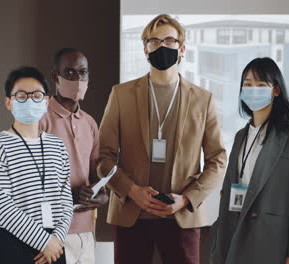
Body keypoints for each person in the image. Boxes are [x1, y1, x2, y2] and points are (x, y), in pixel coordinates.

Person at [97, 14, 227, 264]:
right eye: (154, 41)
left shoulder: (203, 99)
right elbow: (103, 157)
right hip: (131, 215)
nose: (162, 47)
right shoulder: (121, 94)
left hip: (182, 217)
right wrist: (132, 191)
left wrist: (187, 198)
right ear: (145, 49)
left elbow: (218, 160)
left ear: (182, 48)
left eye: (169, 40)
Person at [210, 57, 289, 264]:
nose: (253, 90)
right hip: (234, 235)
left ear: (275, 90)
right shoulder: (240, 136)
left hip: (272, 242)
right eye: (247, 84)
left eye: (261, 84)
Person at [0, 66, 73, 264]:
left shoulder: (57, 146)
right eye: (21, 95)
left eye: (37, 95)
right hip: (13, 246)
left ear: (46, 101)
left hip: (55, 247)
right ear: (8, 102)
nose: (30, 100)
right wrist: (43, 242)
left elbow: (66, 201)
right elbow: (1, 206)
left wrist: (55, 240)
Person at [40, 48, 108, 264]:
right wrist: (67, 195)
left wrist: (101, 196)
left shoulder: (89, 123)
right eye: (69, 73)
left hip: (86, 233)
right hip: (50, 234)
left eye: (83, 73)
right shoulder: (40, 118)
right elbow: (26, 181)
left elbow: (96, 176)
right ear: (55, 77)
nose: (77, 79)